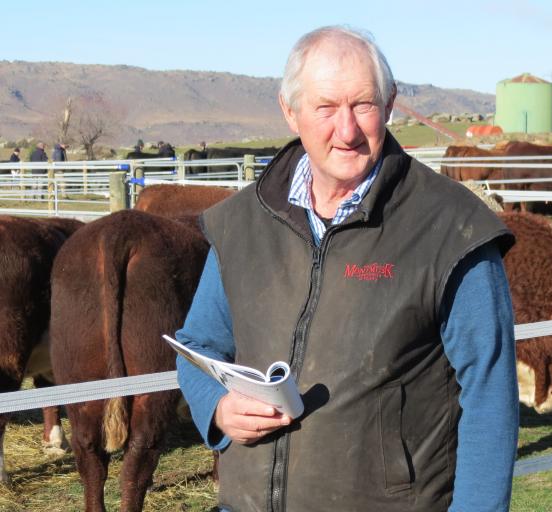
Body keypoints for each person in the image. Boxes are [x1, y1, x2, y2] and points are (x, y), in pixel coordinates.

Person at [176, 26, 519, 512]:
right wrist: (217, 407)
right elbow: (196, 346)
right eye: (325, 107)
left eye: (362, 105)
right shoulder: (242, 223)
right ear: (289, 111)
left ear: (390, 102)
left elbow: (490, 396)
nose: (347, 130)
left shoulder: (451, 230)